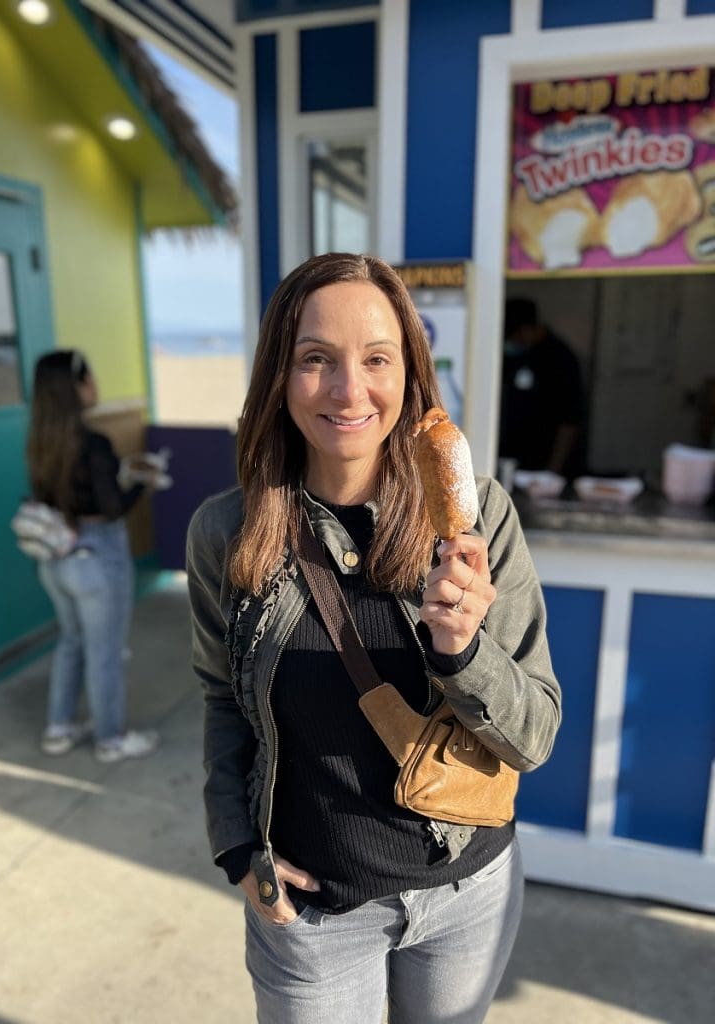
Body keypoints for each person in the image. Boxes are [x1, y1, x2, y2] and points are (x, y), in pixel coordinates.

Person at [186, 253, 562, 1024]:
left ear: (410, 372)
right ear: (278, 378)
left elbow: (537, 733)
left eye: (376, 358)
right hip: (315, 919)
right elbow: (222, 698)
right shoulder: (226, 533)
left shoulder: (478, 516)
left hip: (466, 893)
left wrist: (462, 651)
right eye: (315, 359)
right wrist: (236, 850)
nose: (349, 390)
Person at [26, 349, 159, 763]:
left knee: (71, 643)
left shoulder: (39, 440)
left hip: (56, 558)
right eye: (90, 377)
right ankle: (110, 740)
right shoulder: (94, 443)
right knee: (105, 653)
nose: (95, 385)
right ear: (76, 386)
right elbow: (113, 506)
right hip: (98, 558)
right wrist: (144, 482)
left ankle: (59, 729)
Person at [498, 296, 585, 478]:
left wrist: (552, 472)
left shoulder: (560, 359)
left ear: (527, 330)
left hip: (544, 464)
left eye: (514, 337)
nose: (511, 343)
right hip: (509, 461)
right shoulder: (508, 357)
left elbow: (570, 421)